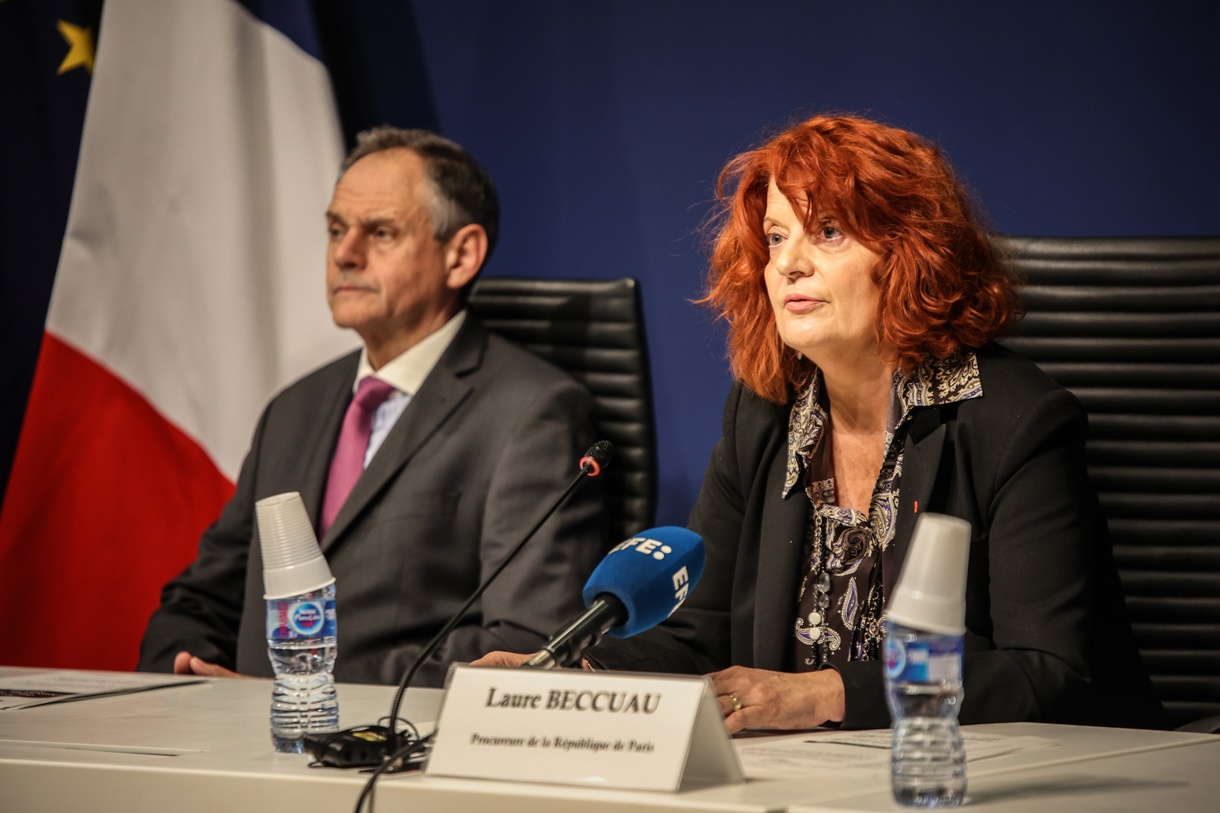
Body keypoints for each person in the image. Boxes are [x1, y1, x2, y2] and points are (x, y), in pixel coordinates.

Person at [475, 115, 1164, 731]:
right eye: (776, 237)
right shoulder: (765, 412)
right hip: (812, 781)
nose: (788, 263)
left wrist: (824, 694)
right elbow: (698, 634)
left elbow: (1041, 667)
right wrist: (576, 678)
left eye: (828, 232)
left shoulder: (1012, 420)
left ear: (910, 253)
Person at [138, 127, 606, 687]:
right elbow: (202, 597)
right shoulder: (294, 408)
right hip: (237, 730)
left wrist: (304, 695)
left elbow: (526, 639)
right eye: (337, 230)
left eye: (380, 232)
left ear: (460, 255)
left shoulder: (534, 413)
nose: (344, 254)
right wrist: (183, 678)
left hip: (394, 736)